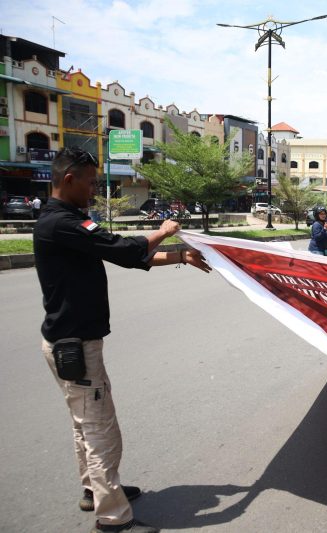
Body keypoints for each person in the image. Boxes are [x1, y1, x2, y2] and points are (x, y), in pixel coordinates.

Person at [33, 147, 212, 533]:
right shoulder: (61, 224)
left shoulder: (65, 221)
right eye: (91, 182)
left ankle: (93, 491)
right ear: (69, 180)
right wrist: (164, 231)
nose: (95, 190)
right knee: (100, 429)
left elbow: (127, 256)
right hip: (75, 345)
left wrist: (180, 254)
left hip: (72, 341)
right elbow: (124, 248)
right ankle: (113, 518)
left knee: (85, 424)